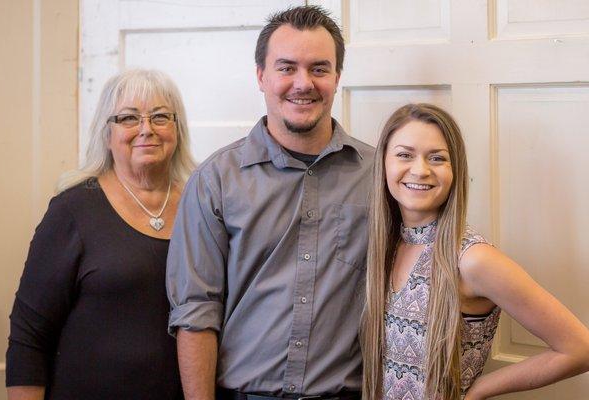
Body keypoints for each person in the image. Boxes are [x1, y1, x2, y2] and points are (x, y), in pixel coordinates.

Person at [166, 6, 373, 400]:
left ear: (337, 78)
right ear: (261, 76)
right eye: (286, 68)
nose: (303, 83)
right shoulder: (214, 181)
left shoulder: (378, 176)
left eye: (318, 68)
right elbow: (196, 311)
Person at [360, 103, 589, 399]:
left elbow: (578, 348)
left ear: (455, 171)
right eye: (404, 155)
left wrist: (478, 390)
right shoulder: (386, 246)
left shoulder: (472, 259)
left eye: (437, 158)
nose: (420, 169)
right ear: (383, 164)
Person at [6, 69, 196, 400]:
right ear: (106, 134)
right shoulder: (73, 210)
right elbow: (29, 336)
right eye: (129, 118)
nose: (146, 129)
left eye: (161, 117)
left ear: (177, 130)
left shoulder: (203, 205)